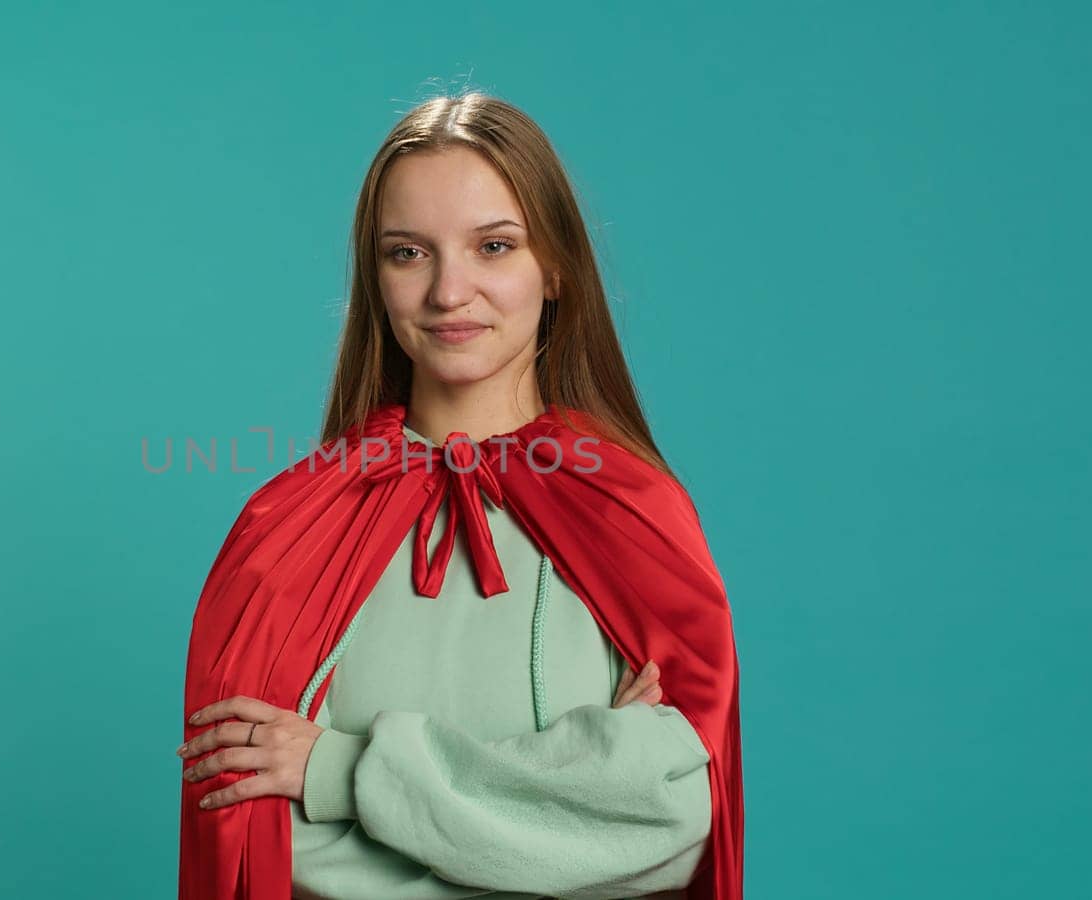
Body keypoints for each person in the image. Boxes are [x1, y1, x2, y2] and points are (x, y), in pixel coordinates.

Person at [177, 92, 743, 900]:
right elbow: (253, 838)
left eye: (493, 246)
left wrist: (334, 770)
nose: (449, 292)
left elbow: (673, 819)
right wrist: (565, 814)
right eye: (408, 253)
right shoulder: (291, 528)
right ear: (375, 279)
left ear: (554, 268)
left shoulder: (630, 510)